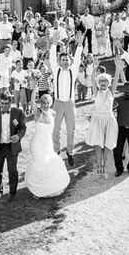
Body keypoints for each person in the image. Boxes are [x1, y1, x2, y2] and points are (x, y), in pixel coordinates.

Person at [26, 85, 71, 198]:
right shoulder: (37, 113)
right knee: (40, 165)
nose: (46, 105)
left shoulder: (53, 113)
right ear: (40, 103)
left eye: (48, 103)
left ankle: (49, 189)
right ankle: (38, 190)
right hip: (37, 145)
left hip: (48, 144)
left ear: (51, 103)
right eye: (44, 103)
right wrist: (36, 88)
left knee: (51, 163)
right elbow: (32, 101)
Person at [49, 30, 84, 167]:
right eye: (62, 60)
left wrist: (80, 46)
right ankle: (56, 152)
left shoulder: (73, 70)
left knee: (71, 130)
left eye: (67, 60)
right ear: (59, 61)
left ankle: (70, 152)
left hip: (69, 103)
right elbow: (52, 58)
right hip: (57, 103)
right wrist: (53, 44)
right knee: (55, 129)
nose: (65, 62)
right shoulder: (56, 69)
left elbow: (78, 57)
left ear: (70, 61)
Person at [0, 93, 27, 201]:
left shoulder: (18, 112)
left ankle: (13, 193)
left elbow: (23, 128)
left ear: (11, 103)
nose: (3, 106)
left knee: (12, 170)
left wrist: (18, 136)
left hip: (11, 147)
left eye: (6, 104)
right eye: (2, 103)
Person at [85, 57, 121, 178]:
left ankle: (104, 166)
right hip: (98, 120)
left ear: (108, 83)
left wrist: (117, 66)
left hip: (109, 120)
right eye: (101, 81)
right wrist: (95, 67)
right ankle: (99, 166)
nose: (103, 83)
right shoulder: (96, 92)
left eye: (105, 81)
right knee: (98, 144)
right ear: (99, 83)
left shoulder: (111, 92)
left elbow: (116, 80)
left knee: (107, 144)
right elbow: (92, 79)